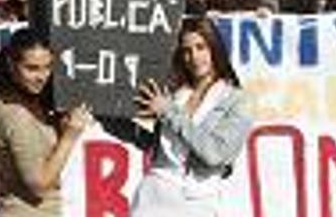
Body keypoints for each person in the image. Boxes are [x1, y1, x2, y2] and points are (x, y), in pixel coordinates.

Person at [102, 17, 252, 217]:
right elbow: (157, 147)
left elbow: (215, 154)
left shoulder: (235, 100)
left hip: (198, 201)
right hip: (153, 194)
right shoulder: (176, 94)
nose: (194, 57)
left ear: (215, 48)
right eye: (186, 51)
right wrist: (104, 117)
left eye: (201, 47)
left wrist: (168, 111)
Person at [0, 29, 92, 217]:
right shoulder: (17, 115)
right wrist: (69, 137)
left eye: (48, 66)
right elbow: (39, 185)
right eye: (31, 68)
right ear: (10, 64)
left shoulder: (21, 100)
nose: (42, 76)